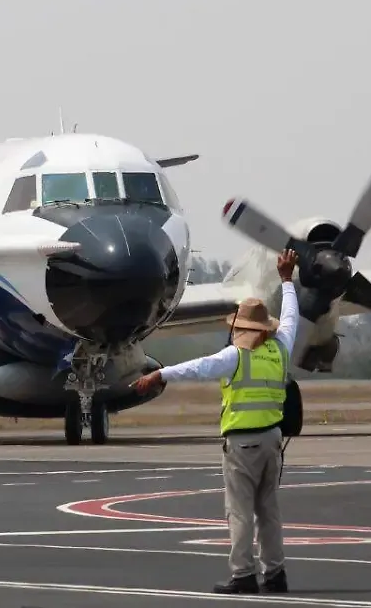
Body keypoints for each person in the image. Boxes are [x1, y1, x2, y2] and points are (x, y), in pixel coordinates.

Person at [132, 248, 299, 594]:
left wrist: (158, 374)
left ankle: (242, 575)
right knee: (268, 509)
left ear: (240, 328)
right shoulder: (281, 347)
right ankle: (276, 574)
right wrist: (287, 281)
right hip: (272, 442)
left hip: (241, 445)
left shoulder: (234, 356)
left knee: (239, 511)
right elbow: (293, 318)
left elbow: (198, 366)